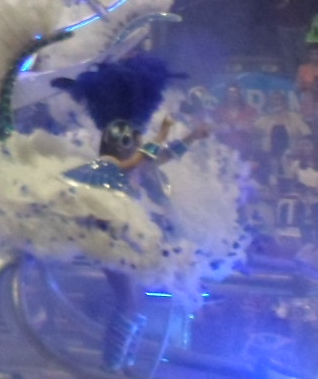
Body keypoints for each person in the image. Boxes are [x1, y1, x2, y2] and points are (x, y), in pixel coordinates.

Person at [52, 56, 209, 373]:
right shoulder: (116, 153)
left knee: (136, 301)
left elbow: (159, 158)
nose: (137, 144)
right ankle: (112, 365)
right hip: (108, 236)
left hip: (123, 236)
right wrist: (164, 133)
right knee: (128, 301)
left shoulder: (131, 154)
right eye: (133, 143)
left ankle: (123, 363)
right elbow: (144, 159)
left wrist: (192, 137)